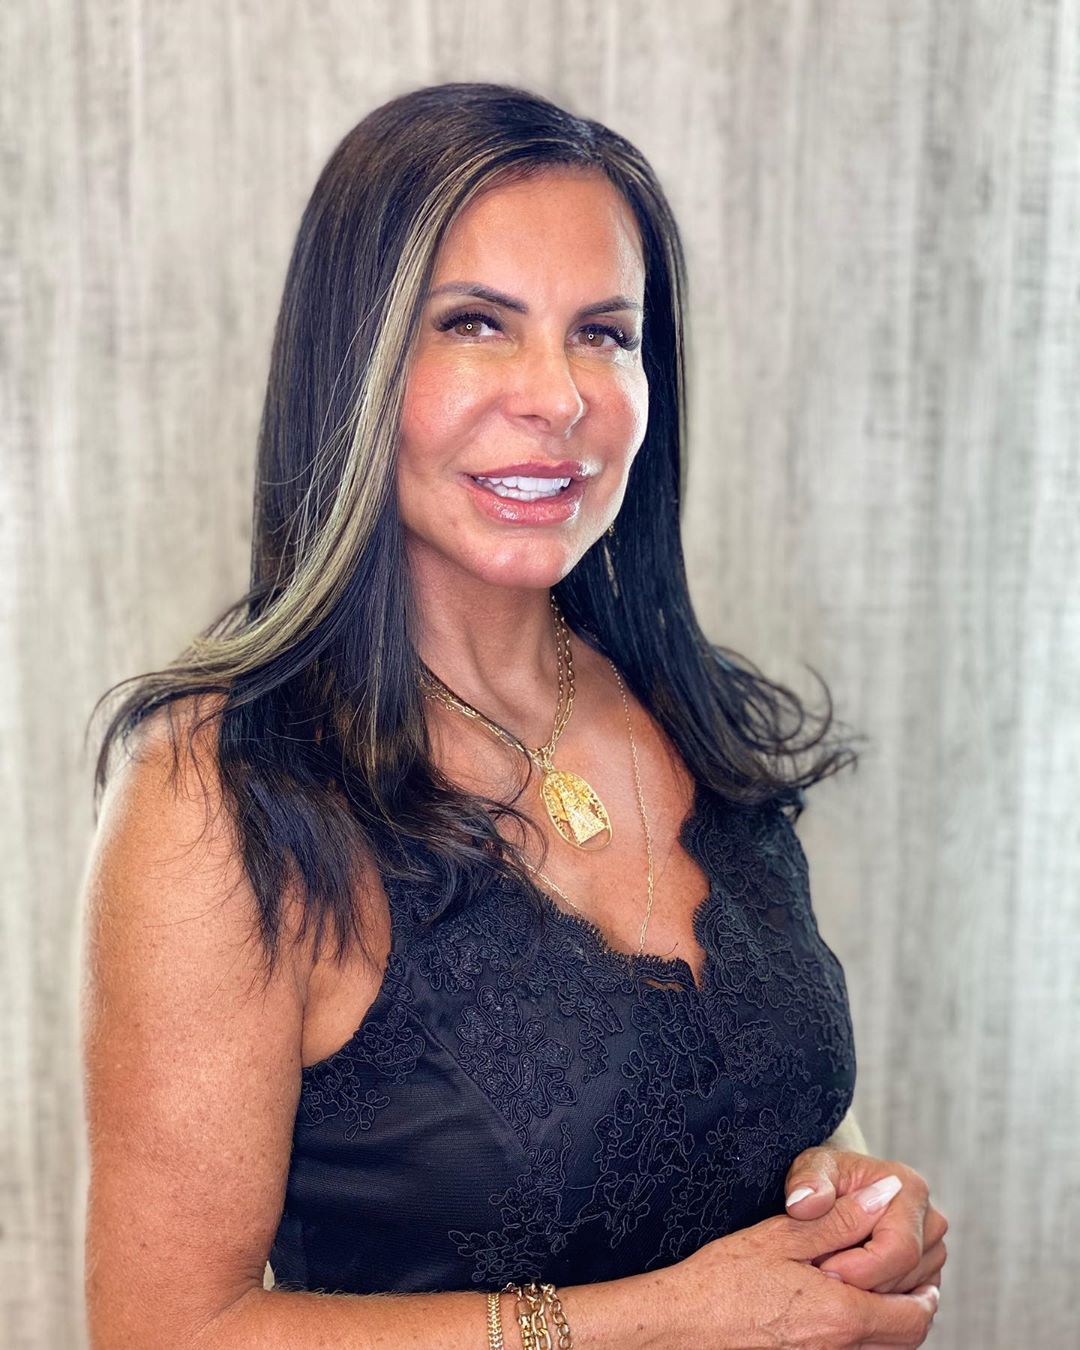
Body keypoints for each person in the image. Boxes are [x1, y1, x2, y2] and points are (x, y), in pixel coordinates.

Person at [79, 82, 946, 1348]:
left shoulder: (686, 706)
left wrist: (854, 1199)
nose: (558, 397)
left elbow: (758, 1115)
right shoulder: (225, 788)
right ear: (357, 363)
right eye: (477, 324)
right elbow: (168, 1331)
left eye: (603, 333)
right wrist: (671, 1321)